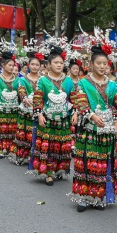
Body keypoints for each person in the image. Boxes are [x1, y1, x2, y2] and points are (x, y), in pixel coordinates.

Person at [70, 45, 117, 212]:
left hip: (107, 130)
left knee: (102, 164)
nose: (103, 67)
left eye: (105, 63)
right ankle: (83, 197)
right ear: (91, 64)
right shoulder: (82, 83)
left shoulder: (112, 85)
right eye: (99, 63)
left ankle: (98, 196)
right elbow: (80, 101)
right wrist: (91, 115)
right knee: (86, 163)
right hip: (89, 129)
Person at [30, 47, 75, 186]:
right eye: (56, 62)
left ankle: (58, 170)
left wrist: (76, 113)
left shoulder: (68, 81)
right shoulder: (42, 80)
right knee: (47, 147)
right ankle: (48, 173)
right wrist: (39, 115)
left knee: (62, 146)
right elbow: (37, 99)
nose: (59, 65)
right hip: (48, 119)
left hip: (64, 120)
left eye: (61, 62)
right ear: (49, 64)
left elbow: (74, 99)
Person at [14, 53, 41, 166]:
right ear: (28, 65)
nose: (34, 67)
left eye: (37, 65)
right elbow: (21, 90)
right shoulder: (23, 79)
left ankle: (34, 156)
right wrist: (24, 98)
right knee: (24, 133)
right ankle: (22, 155)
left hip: (39, 110)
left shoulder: (43, 79)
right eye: (32, 64)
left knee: (37, 133)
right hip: (26, 109)